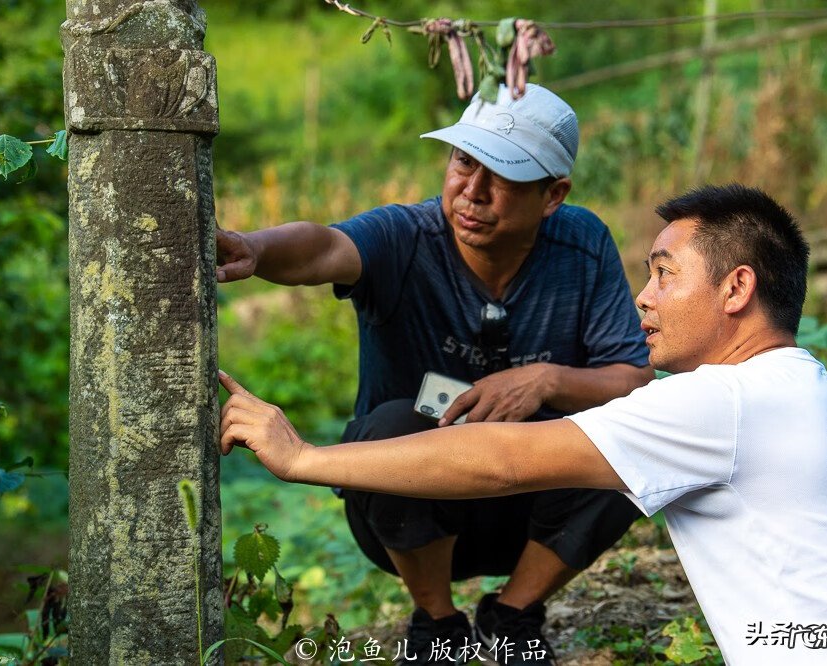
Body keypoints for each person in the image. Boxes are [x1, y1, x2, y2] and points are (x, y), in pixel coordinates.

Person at [218, 184, 827, 666]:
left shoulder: (724, 403)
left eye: (665, 274)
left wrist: (302, 456)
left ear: (737, 288)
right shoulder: (819, 396)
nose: (643, 298)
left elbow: (501, 460)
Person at [216, 83, 654, 664]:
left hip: (530, 502)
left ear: (553, 195)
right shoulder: (407, 237)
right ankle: (438, 624)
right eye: (463, 162)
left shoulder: (583, 245)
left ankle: (514, 615)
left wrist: (546, 379)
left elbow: (632, 378)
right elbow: (326, 248)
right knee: (393, 421)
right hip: (406, 505)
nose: (472, 192)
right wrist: (255, 249)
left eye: (502, 175)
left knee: (640, 438)